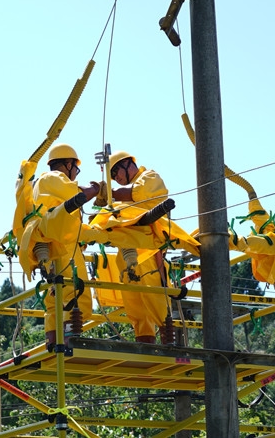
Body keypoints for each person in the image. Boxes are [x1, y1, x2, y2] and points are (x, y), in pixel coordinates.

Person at [19, 143, 100, 347]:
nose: (75, 173)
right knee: (76, 291)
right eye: (75, 168)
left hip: (49, 245)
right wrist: (97, 189)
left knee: (54, 295)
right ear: (67, 164)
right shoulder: (52, 177)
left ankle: (53, 342)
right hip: (61, 243)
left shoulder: (40, 184)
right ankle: (71, 340)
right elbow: (76, 194)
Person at [107, 151, 172, 344]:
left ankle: (170, 342)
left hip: (151, 250)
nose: (116, 178)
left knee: (155, 297)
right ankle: (145, 343)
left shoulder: (149, 177)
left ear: (127, 164)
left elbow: (138, 193)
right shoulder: (120, 198)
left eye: (116, 172)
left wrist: (109, 193)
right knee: (135, 303)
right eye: (112, 176)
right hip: (128, 252)